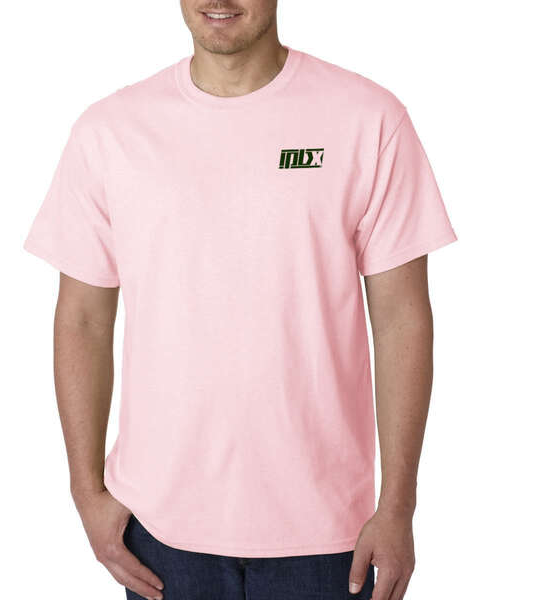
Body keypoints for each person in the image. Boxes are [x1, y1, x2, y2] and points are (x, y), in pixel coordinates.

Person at [24, 1, 457, 598]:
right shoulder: (110, 131)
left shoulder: (368, 118)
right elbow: (82, 320)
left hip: (330, 531)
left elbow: (402, 318)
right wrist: (85, 492)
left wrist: (399, 505)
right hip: (157, 530)